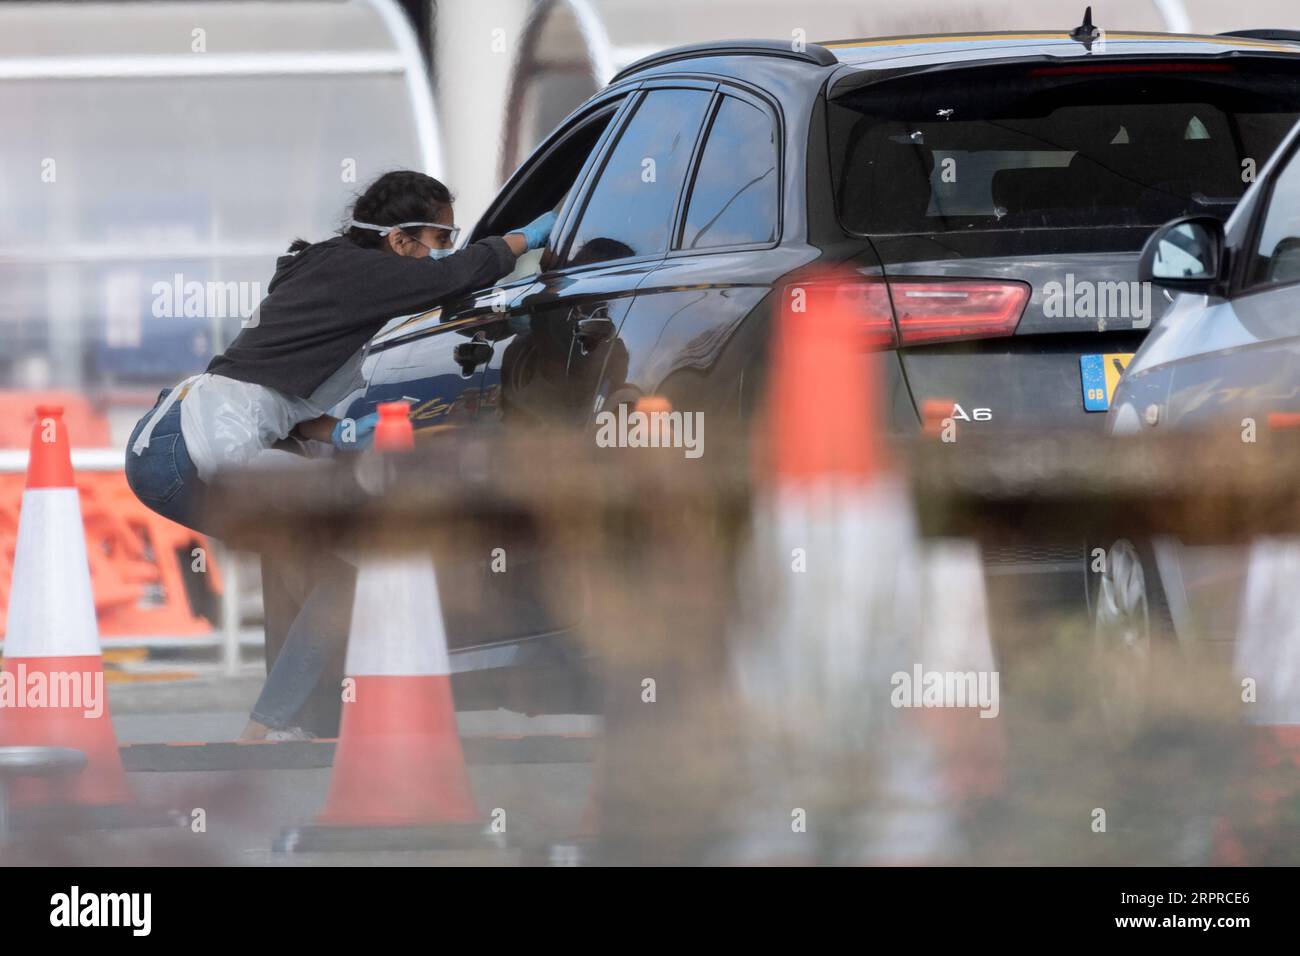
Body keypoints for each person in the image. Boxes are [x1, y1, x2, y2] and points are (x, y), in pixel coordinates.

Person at [124, 170, 556, 739]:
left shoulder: (332, 265)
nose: (445, 250)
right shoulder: (365, 272)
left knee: (327, 569)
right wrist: (524, 239)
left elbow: (270, 391)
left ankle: (285, 721)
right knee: (348, 562)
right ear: (401, 239)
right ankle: (271, 726)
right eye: (441, 237)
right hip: (192, 450)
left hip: (174, 442)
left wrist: (340, 434)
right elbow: (459, 276)